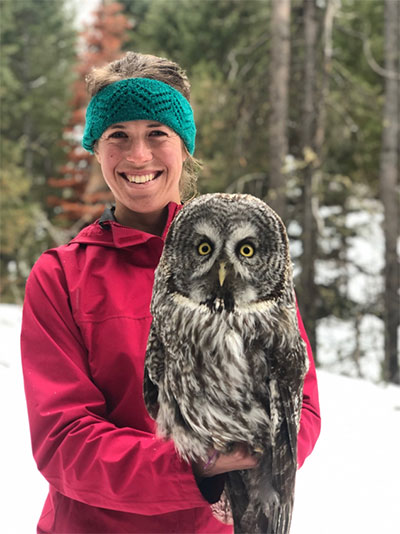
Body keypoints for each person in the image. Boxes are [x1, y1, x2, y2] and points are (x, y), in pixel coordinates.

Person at [21, 51, 321, 534]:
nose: (138, 156)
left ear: (184, 147)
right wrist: (196, 466)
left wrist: (260, 458)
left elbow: (296, 399)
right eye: (118, 136)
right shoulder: (62, 276)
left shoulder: (244, 254)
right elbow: (64, 441)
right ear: (96, 148)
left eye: (157, 134)